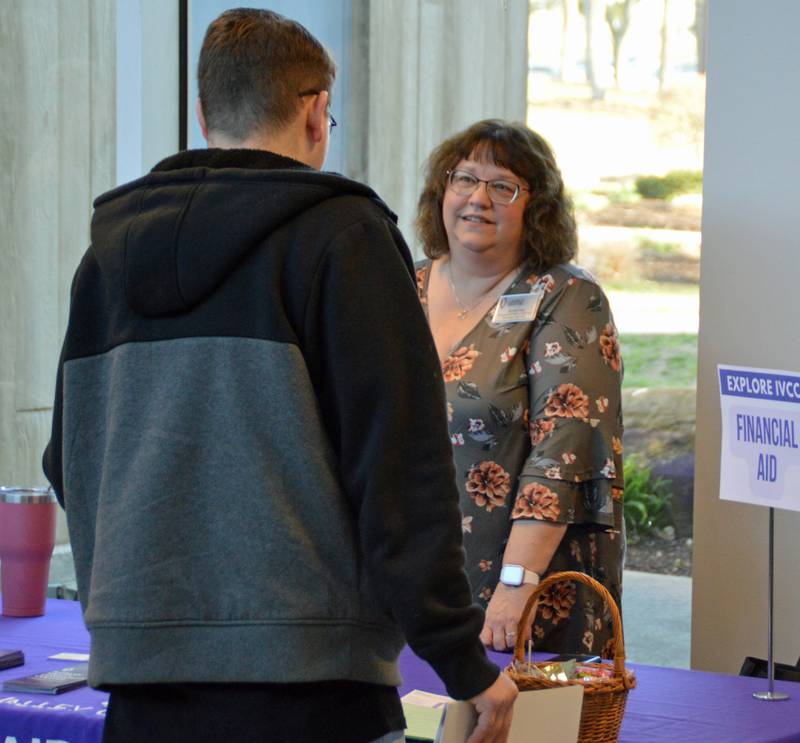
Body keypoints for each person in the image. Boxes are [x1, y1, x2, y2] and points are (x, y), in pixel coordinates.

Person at [42, 10, 516, 743]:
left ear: (204, 115)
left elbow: (66, 460)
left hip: (142, 692)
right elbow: (398, 468)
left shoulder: (105, 260)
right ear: (317, 112)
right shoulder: (345, 238)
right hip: (311, 691)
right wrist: (461, 657)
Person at [415, 120, 625, 658]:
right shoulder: (401, 283)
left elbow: (565, 449)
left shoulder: (567, 296)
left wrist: (517, 582)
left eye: (502, 186)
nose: (477, 199)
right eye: (463, 179)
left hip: (520, 592)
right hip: (405, 581)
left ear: (537, 207)